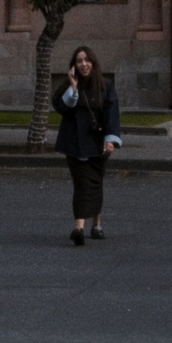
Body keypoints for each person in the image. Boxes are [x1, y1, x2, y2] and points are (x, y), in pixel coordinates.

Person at [56, 44, 121, 245]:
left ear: (93, 62)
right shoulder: (68, 86)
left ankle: (97, 224)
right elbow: (60, 107)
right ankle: (79, 228)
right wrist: (73, 89)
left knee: (95, 183)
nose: (84, 64)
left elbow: (111, 112)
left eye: (87, 60)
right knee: (82, 184)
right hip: (75, 144)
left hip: (97, 143)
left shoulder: (105, 85)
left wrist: (111, 139)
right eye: (79, 61)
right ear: (74, 65)